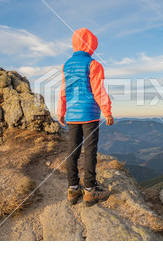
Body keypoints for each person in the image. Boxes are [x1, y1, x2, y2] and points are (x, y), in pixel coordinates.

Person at [57, 28, 114, 207]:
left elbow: (63, 91)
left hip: (72, 116)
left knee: (72, 151)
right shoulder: (93, 64)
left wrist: (61, 111)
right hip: (90, 115)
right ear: (91, 44)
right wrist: (107, 111)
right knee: (90, 151)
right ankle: (90, 191)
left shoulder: (66, 65)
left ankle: (73, 189)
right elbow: (98, 91)